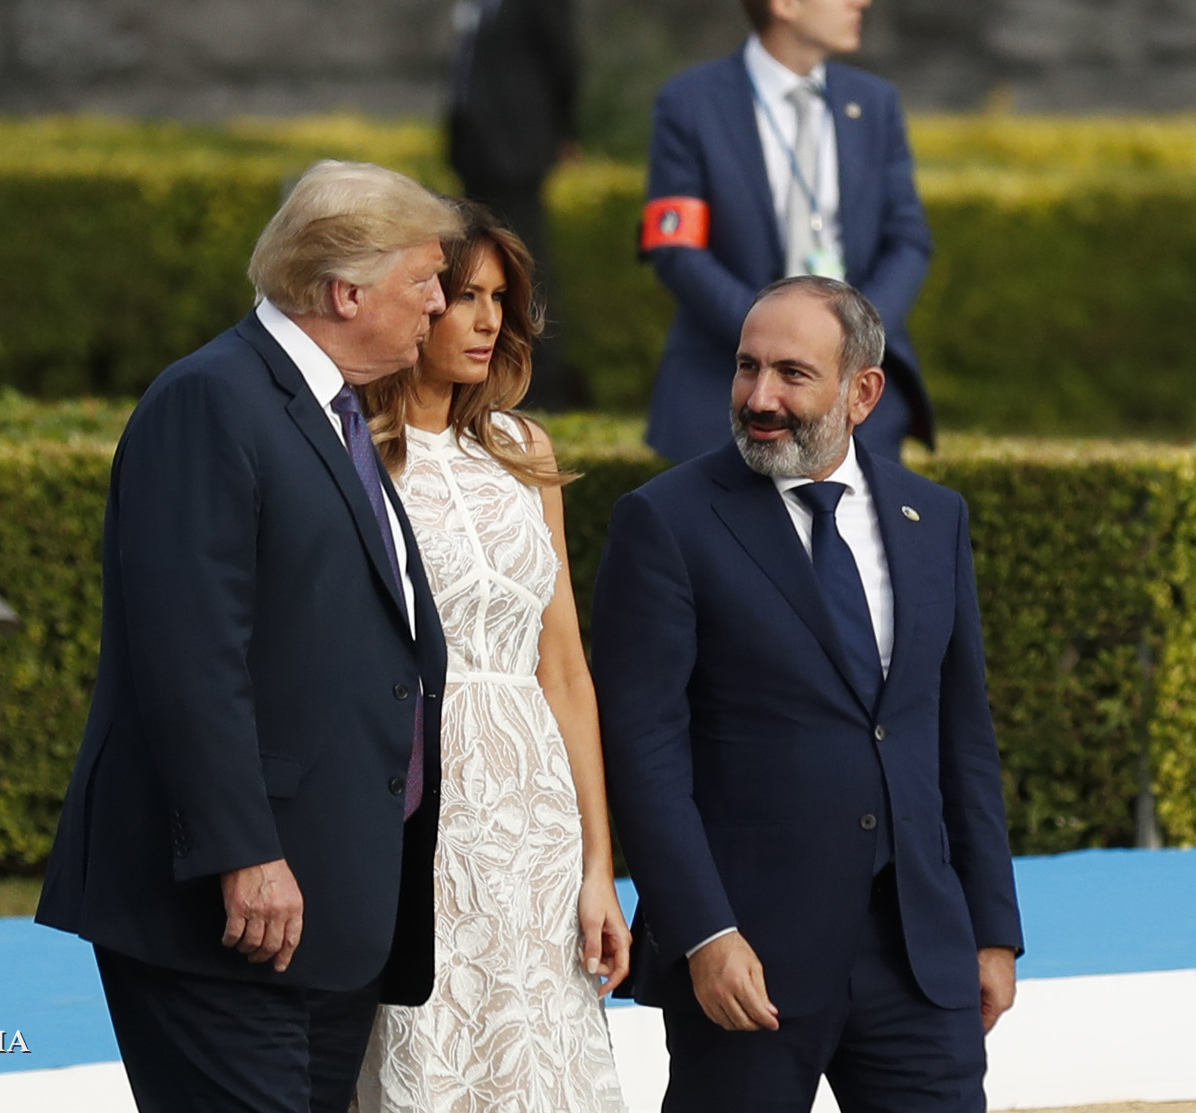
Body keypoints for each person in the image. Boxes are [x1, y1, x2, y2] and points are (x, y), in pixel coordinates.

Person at [35, 161, 459, 1113]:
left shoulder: (328, 409)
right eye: (424, 280)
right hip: (228, 912)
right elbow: (190, 654)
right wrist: (243, 852)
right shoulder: (212, 399)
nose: (439, 304)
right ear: (346, 291)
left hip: (327, 909)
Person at [592, 276, 1022, 1112]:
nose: (760, 397)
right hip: (746, 961)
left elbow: (961, 737)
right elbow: (643, 752)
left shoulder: (934, 518)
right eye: (746, 367)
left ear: (863, 392)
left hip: (918, 957)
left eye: (792, 373)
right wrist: (705, 933)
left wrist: (994, 929)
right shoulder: (666, 520)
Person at [353, 204, 629, 1112]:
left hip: (536, 812)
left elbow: (566, 670)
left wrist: (598, 864)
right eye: (464, 295)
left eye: (499, 298)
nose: (486, 320)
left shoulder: (522, 449)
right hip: (419, 798)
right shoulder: (354, 453)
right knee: (430, 1049)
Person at [640, 0, 932, 462]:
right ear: (785, 5)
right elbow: (677, 248)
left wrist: (851, 339)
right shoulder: (691, 102)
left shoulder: (875, 102)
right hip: (721, 394)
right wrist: (776, 339)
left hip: (854, 399)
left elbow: (909, 241)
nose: (860, 3)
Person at [448, 0, 581, 410]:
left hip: (517, 152)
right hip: (476, 153)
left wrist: (562, 130)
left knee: (526, 268)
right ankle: (488, 381)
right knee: (482, 265)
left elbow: (563, 60)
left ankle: (540, 386)